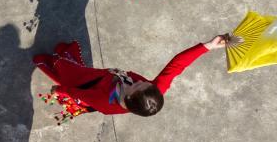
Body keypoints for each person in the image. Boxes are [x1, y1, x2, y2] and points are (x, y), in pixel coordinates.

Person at [33, 35, 230, 120]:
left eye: (137, 85)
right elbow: (177, 65)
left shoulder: (105, 102)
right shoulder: (153, 90)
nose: (141, 81)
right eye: (144, 83)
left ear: (127, 98)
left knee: (68, 72)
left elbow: (78, 93)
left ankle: (56, 64)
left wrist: (60, 90)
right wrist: (208, 46)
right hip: (103, 77)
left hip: (87, 83)